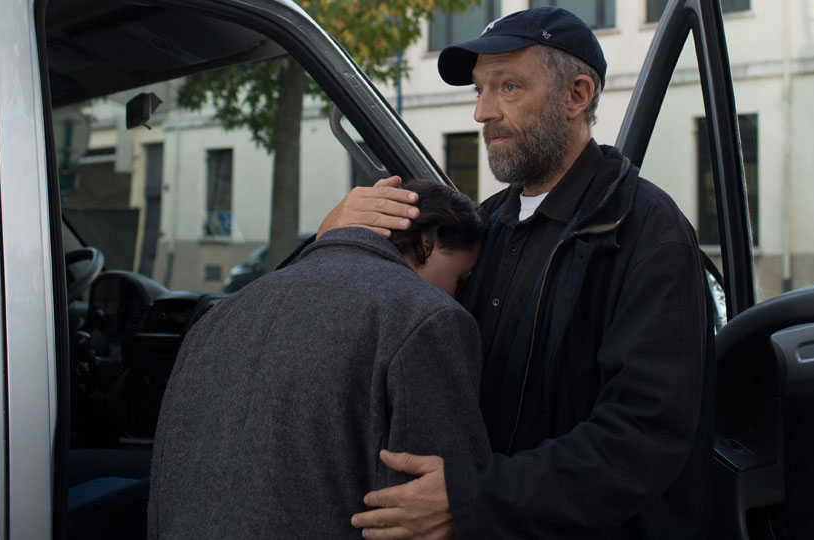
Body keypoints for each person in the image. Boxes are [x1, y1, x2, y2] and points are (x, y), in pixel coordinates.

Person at [323, 7, 715, 540]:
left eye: (508, 87)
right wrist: (334, 237)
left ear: (576, 95)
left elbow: (643, 437)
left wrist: (471, 498)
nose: (483, 112)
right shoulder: (481, 226)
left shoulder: (646, 233)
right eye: (479, 90)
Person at [147, 180, 492, 539]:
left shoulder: (220, 314)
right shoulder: (427, 317)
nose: (458, 294)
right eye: (460, 278)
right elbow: (435, 508)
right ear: (428, 243)